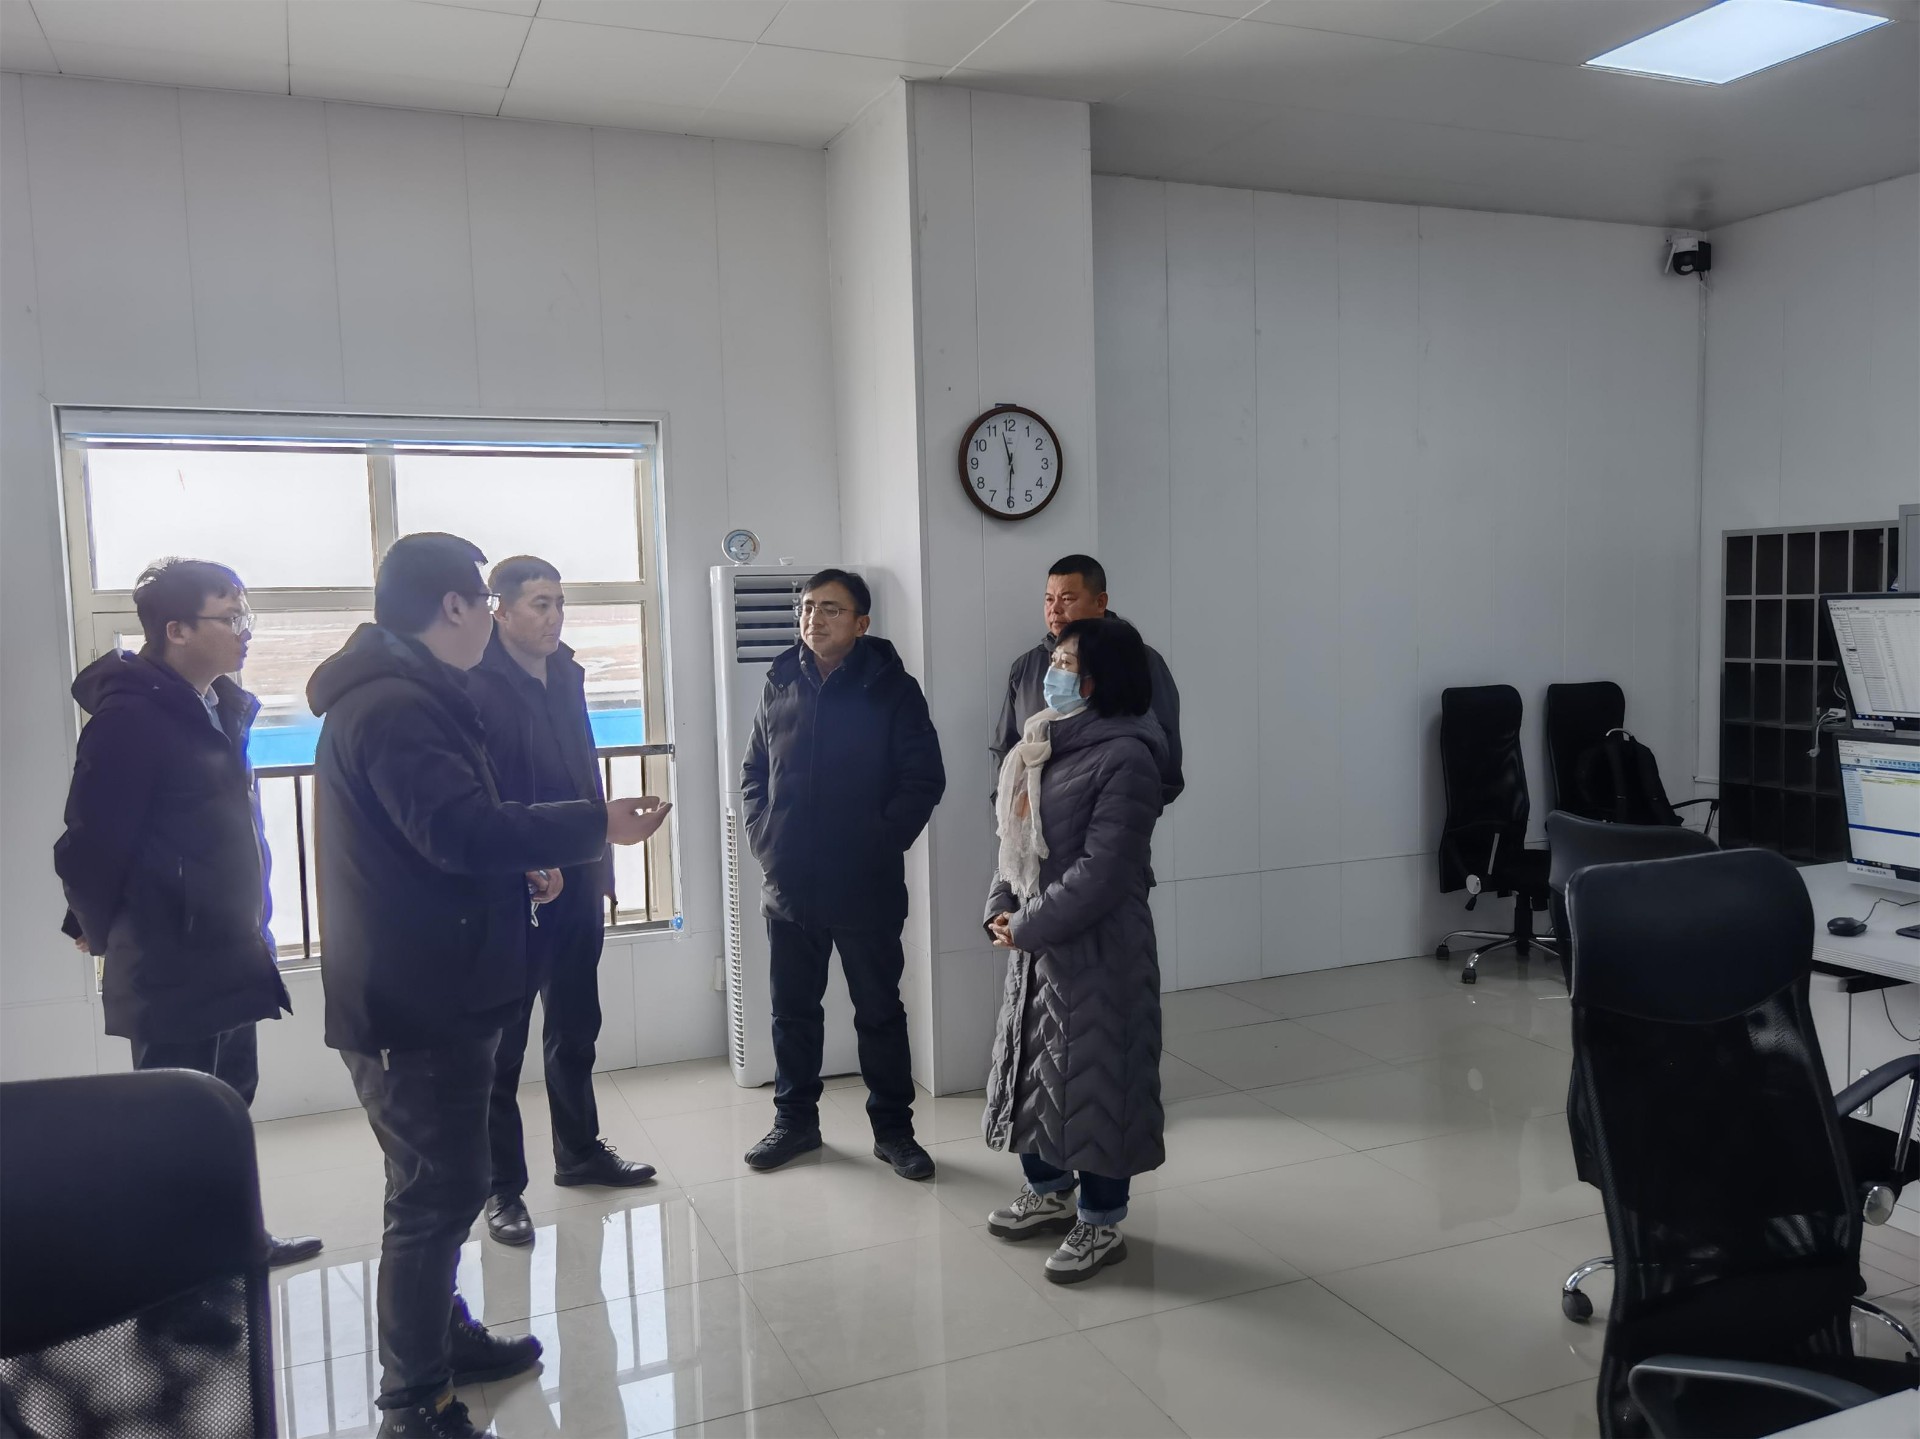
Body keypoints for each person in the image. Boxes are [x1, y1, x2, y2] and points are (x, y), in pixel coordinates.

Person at [307, 533, 670, 1439]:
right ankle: (413, 1401)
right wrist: (590, 826)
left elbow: (441, 838)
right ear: (459, 606)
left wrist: (521, 868)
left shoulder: (406, 691)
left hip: (431, 975)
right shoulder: (397, 704)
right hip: (416, 994)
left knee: (435, 1185)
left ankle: (444, 1339)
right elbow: (459, 832)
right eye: (487, 599)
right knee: (434, 1197)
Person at [54, 558, 321, 1270]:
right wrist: (94, 926)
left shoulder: (217, 706)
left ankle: (231, 1242)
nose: (244, 631)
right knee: (173, 1121)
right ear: (175, 629)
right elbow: (91, 840)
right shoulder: (130, 720)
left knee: (227, 1104)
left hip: (231, 943)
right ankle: (173, 1278)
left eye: (245, 615)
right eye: (230, 618)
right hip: (170, 953)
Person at [468, 556, 657, 1251]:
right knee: (504, 1043)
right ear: (500, 608)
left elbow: (582, 772)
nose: (553, 618)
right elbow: (484, 793)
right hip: (515, 879)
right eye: (539, 605)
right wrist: (524, 857)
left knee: (575, 1025)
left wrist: (598, 861)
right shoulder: (476, 679)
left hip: (576, 870)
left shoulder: (568, 672)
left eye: (559, 603)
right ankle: (501, 1187)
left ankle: (578, 1152)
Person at [739, 568, 946, 1178]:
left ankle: (894, 1132)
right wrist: (766, 841)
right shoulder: (780, 681)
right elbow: (754, 772)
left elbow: (923, 779)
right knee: (792, 1013)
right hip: (789, 884)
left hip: (865, 884)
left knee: (879, 1012)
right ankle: (794, 1123)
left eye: (831, 609)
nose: (815, 619)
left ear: (861, 622)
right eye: (807, 608)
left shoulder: (892, 688)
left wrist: (878, 845)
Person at [982, 615, 1168, 1285]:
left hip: (1101, 947)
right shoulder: (1043, 741)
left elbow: (1105, 869)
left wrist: (1028, 923)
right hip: (1039, 941)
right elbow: (1016, 843)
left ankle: (1101, 1219)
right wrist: (1001, 906)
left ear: (1098, 678)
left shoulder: (1128, 756)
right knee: (1037, 1072)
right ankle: (1049, 1190)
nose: (1052, 673)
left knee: (1099, 1082)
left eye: (1064, 663)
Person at [992, 554, 1183, 805]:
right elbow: (1007, 745)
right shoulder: (1026, 667)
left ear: (1100, 602)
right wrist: (1007, 799)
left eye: (1067, 599)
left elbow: (1163, 746)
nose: (1055, 609)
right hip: (1033, 818)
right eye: (1049, 599)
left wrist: (1131, 804)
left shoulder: (1138, 660)